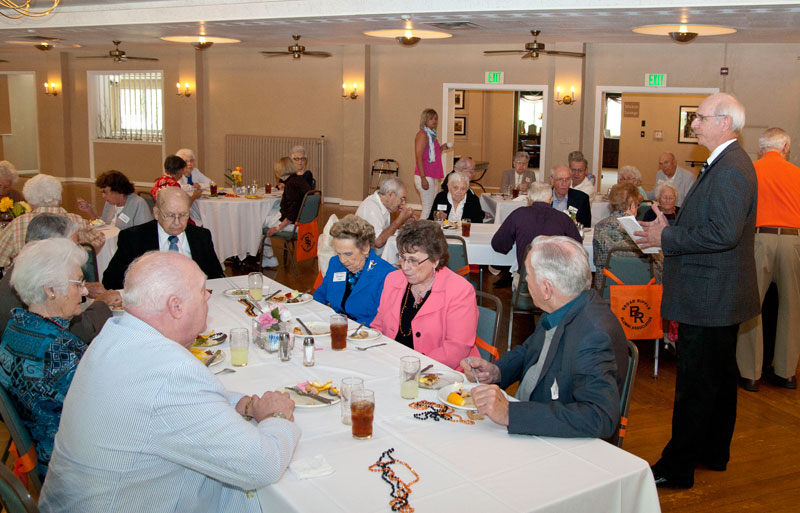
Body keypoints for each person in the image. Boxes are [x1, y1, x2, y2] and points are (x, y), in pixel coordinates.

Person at [39, 251, 300, 513]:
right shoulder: (170, 372)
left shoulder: (115, 335)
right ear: (176, 306)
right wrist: (276, 415)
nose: (208, 296)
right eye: (202, 291)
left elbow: (172, 404)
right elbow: (262, 466)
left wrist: (241, 403)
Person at [637, 93, 758, 489]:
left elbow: (723, 233)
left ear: (725, 122)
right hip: (716, 291)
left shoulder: (731, 168)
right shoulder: (727, 163)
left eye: (700, 117)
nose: (694, 124)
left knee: (695, 384)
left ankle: (678, 466)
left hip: (709, 294)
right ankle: (713, 452)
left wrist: (668, 235)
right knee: (718, 380)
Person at [461, 236, 627, 439]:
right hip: (530, 417)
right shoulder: (563, 305)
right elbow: (530, 350)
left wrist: (510, 414)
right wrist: (497, 372)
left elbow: (600, 417)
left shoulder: (592, 335)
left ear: (547, 289)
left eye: (528, 275)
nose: (525, 280)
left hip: (554, 438)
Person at [0, 238, 90, 478]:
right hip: (70, 466)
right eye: (78, 282)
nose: (85, 290)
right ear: (50, 289)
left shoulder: (15, 327)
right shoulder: (61, 350)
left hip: (38, 453)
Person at [736, 127, 800, 392]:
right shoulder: (797, 173)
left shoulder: (751, 170)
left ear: (761, 149)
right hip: (793, 239)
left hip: (760, 238)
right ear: (785, 149)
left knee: (752, 307)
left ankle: (750, 373)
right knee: (791, 307)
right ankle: (786, 373)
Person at [371, 220, 479, 370]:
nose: (405, 267)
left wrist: (410, 368)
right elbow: (378, 325)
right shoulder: (392, 280)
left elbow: (456, 350)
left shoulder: (460, 291)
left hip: (439, 373)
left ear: (435, 260)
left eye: (413, 261)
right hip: (391, 365)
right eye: (402, 257)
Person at [0, 214, 118, 342]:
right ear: (51, 249)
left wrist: (78, 285)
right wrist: (102, 303)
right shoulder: (39, 286)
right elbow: (83, 331)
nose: (76, 251)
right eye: (71, 246)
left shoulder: (24, 270)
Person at [102, 187, 224, 289]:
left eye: (183, 215)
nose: (177, 222)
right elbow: (111, 281)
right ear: (156, 213)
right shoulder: (134, 238)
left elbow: (217, 277)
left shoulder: (201, 236)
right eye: (170, 215)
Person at [0, 174, 105, 268]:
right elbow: (99, 239)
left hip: (29, 284)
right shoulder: (76, 220)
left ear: (29, 200)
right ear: (60, 199)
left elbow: (1, 258)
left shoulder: (17, 224)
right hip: (67, 282)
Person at [313, 215, 394, 325]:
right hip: (335, 328)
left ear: (365, 248)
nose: (342, 260)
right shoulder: (335, 263)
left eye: (348, 254)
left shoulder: (385, 274)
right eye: (338, 253)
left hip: (365, 334)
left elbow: (385, 322)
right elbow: (320, 296)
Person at [491, 182, 581, 275]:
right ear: (551, 200)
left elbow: (498, 244)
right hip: (556, 280)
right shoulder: (564, 218)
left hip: (527, 280)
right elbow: (577, 246)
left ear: (529, 199)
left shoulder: (518, 214)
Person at [593, 183, 650, 289]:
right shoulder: (638, 230)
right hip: (636, 288)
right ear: (632, 205)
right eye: (637, 205)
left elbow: (597, 260)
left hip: (607, 287)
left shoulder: (599, 227)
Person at [261, 156, 312, 267]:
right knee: (267, 213)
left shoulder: (291, 185)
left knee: (259, 221)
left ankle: (268, 257)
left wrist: (277, 228)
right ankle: (266, 257)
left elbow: (291, 215)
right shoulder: (299, 180)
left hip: (295, 225)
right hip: (306, 222)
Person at [354, 177, 414, 255]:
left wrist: (404, 221)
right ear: (390, 194)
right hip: (365, 255)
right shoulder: (372, 207)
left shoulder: (383, 205)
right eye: (402, 199)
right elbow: (378, 242)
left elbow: (384, 229)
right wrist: (400, 220)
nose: (403, 203)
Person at [77, 170, 153, 229]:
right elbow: (103, 226)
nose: (103, 196)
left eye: (105, 192)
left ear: (118, 190)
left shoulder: (138, 203)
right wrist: (89, 211)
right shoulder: (109, 203)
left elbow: (144, 232)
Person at [414, 108, 450, 220]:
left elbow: (430, 155)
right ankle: (419, 233)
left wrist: (441, 149)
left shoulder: (432, 135)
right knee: (428, 208)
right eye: (431, 118)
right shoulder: (423, 135)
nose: (434, 121)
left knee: (433, 206)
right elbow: (418, 157)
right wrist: (423, 178)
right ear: (425, 119)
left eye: (436, 118)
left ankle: (428, 231)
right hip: (424, 176)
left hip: (432, 175)